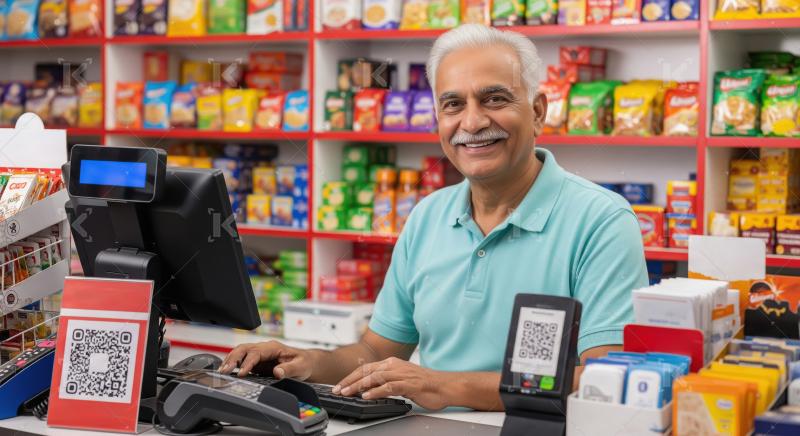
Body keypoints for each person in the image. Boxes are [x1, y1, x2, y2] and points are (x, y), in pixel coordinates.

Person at [221, 24, 648, 412]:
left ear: (538, 111)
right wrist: (306, 362)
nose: (473, 121)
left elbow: (604, 380)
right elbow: (375, 353)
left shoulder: (601, 221)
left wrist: (444, 387)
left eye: (494, 99)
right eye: (453, 104)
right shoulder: (428, 216)